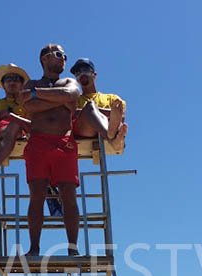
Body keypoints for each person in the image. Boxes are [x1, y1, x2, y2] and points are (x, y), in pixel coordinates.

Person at [15, 43, 81, 256]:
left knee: (69, 195)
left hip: (64, 141)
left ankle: (73, 247)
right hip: (38, 143)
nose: (64, 59)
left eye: (65, 56)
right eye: (60, 54)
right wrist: (58, 100)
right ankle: (34, 248)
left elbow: (72, 94)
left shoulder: (68, 81)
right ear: (45, 58)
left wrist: (38, 95)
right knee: (36, 196)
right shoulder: (30, 83)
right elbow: (28, 105)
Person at [70, 58, 128, 152]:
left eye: (85, 70)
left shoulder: (111, 98)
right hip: (85, 130)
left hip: (110, 127)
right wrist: (102, 113)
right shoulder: (74, 100)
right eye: (77, 72)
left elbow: (120, 116)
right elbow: (71, 116)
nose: (81, 74)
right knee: (90, 106)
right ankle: (111, 138)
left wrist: (94, 113)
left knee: (116, 108)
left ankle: (111, 134)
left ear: (94, 75)